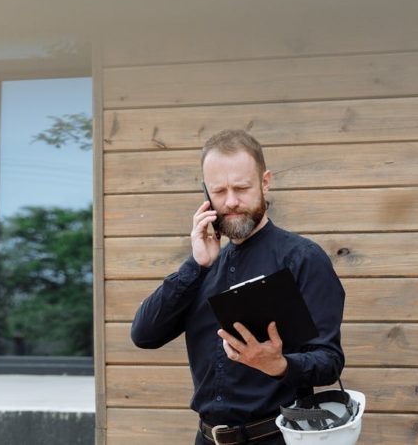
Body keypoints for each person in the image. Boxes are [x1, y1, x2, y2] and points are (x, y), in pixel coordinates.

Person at [131, 129, 345, 445]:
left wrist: (279, 365)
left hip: (277, 437)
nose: (231, 201)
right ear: (206, 193)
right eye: (219, 191)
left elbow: (329, 362)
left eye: (242, 188)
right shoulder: (202, 267)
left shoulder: (302, 258)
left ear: (265, 182)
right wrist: (196, 265)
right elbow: (144, 335)